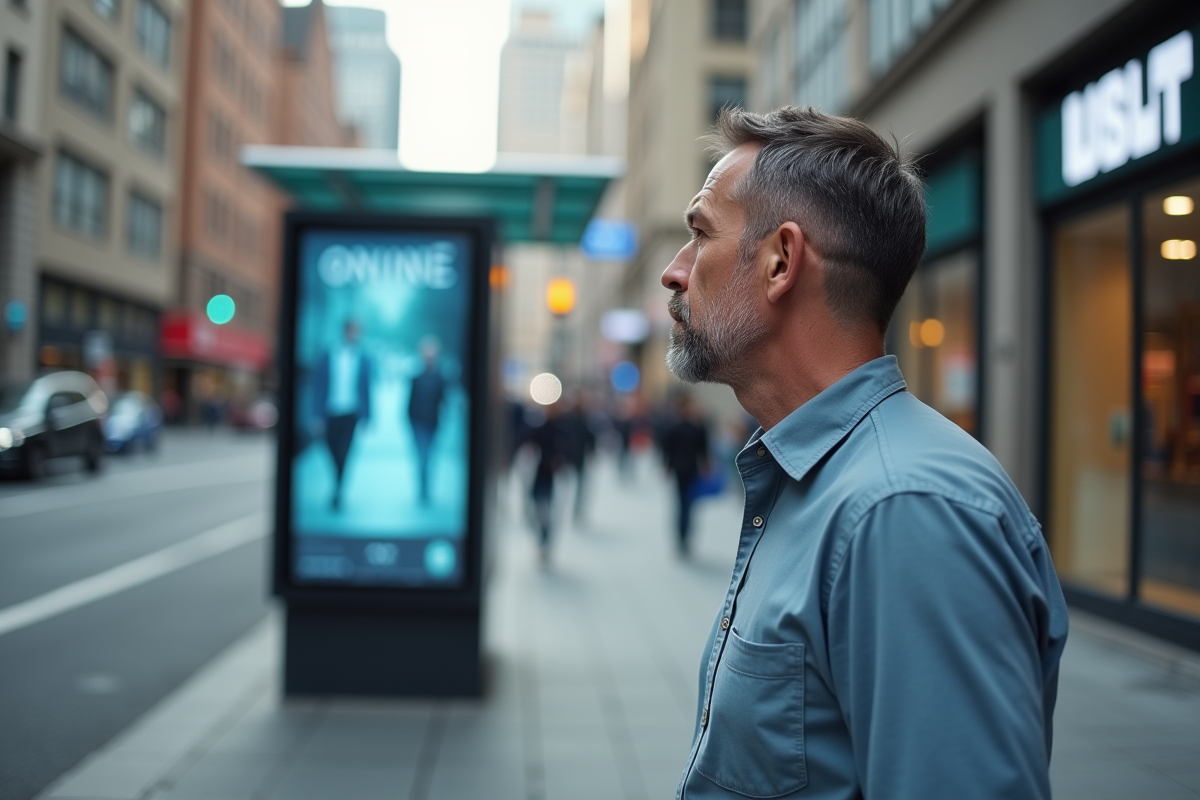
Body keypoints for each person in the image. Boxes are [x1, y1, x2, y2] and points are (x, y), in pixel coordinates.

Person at [661, 106, 1068, 800]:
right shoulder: (812, 480)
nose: (675, 272)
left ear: (780, 260)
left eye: (699, 234)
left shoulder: (902, 512)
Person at [311, 320, 371, 510]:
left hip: (351, 413)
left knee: (345, 452)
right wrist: (316, 415)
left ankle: (338, 490)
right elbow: (318, 386)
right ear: (345, 332)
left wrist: (367, 416)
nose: (354, 335)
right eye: (351, 331)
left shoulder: (363, 357)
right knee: (330, 449)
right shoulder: (328, 353)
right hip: (330, 412)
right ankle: (337, 479)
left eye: (357, 331)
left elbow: (366, 388)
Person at [659, 392, 709, 556]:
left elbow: (667, 451)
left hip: (680, 469)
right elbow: (704, 452)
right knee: (687, 505)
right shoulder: (696, 427)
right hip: (689, 469)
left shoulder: (674, 427)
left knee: (682, 505)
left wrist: (666, 468)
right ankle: (684, 538)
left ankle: (682, 538)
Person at [408, 337, 446, 505]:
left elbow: (444, 400)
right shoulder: (416, 377)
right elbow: (410, 402)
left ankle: (426, 487)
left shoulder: (440, 378)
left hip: (433, 424)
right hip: (418, 423)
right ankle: (423, 488)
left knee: (430, 457)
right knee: (422, 456)